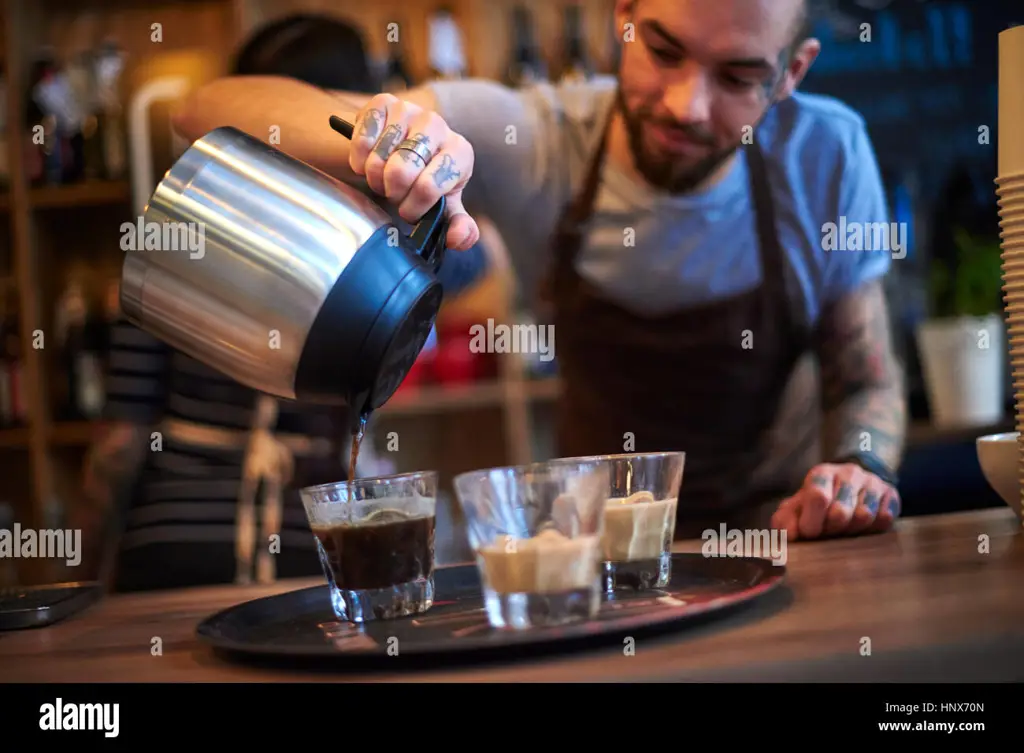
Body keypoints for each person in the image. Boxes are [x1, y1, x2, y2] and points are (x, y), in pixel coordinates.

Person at [172, 0, 908, 541]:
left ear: (792, 72)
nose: (689, 105)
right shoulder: (536, 141)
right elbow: (205, 109)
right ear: (623, 17)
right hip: (596, 552)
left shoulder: (826, 156)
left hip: (781, 536)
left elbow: (865, 375)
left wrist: (854, 468)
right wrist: (384, 132)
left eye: (740, 76)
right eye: (662, 51)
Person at [76, 14, 493, 591]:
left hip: (169, 545)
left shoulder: (183, 223)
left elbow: (121, 442)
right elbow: (478, 253)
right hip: (319, 548)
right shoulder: (383, 233)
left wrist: (81, 565)